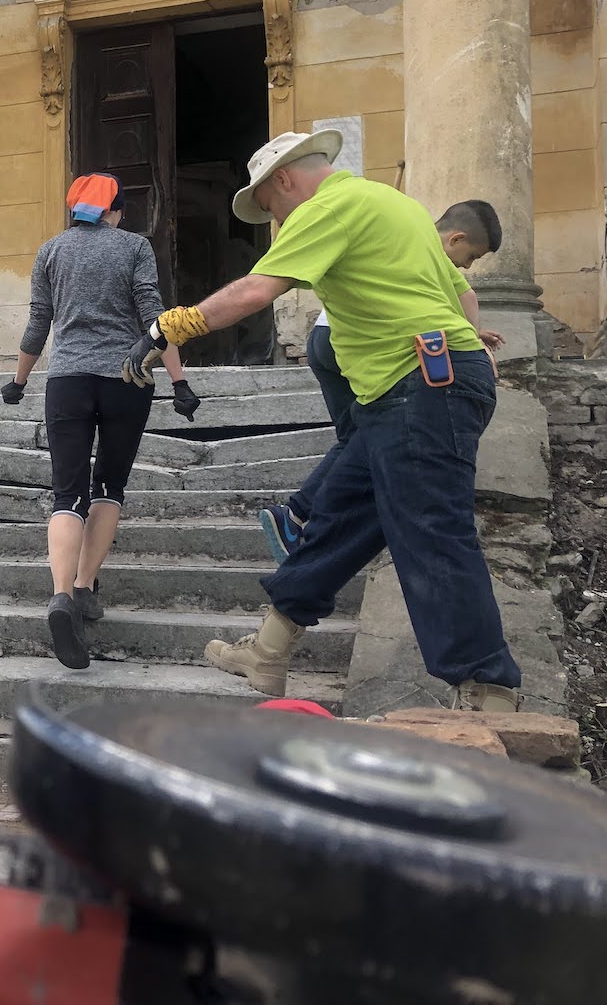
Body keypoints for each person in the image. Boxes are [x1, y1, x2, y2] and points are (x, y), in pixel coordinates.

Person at [122, 131, 522, 712]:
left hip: (418, 387)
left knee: (432, 531)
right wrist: (469, 351)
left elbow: (257, 289)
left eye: (268, 208)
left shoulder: (328, 205)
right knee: (342, 518)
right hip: (411, 386)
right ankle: (268, 650)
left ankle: (486, 688)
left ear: (282, 180)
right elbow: (460, 294)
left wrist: (169, 328)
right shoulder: (397, 205)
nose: (274, 221)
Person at [5, 172, 201, 671]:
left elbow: (37, 321)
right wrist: (178, 382)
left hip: (67, 380)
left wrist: (20, 381)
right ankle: (84, 585)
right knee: (109, 485)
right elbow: (156, 320)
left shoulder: (50, 251)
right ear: (113, 209)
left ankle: (60, 597)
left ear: (75, 210)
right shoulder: (134, 248)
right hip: (127, 381)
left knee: (66, 492)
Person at [257, 199, 507, 563]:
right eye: (472, 256)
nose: (467, 265)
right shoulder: (426, 245)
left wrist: (472, 332)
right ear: (456, 238)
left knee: (358, 438)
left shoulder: (399, 232)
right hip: (348, 342)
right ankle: (299, 517)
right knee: (370, 435)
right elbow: (465, 294)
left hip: (323, 338)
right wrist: (470, 344)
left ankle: (301, 520)